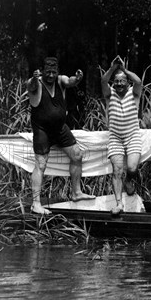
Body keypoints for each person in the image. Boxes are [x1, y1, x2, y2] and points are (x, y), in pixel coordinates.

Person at [26, 57, 94, 215]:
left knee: (77, 155)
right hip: (42, 129)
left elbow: (70, 81)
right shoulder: (35, 82)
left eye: (53, 72)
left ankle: (76, 192)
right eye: (47, 72)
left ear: (57, 71)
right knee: (41, 164)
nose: (50, 75)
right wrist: (35, 78)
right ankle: (36, 204)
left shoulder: (60, 80)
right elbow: (30, 85)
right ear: (42, 71)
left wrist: (78, 78)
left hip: (60, 128)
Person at [100, 56, 143, 215]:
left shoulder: (134, 93)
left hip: (132, 136)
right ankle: (119, 204)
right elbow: (104, 81)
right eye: (116, 81)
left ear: (127, 82)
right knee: (117, 170)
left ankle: (130, 180)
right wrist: (112, 69)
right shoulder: (109, 94)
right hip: (116, 138)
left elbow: (138, 82)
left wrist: (124, 70)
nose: (118, 84)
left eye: (122, 80)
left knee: (132, 167)